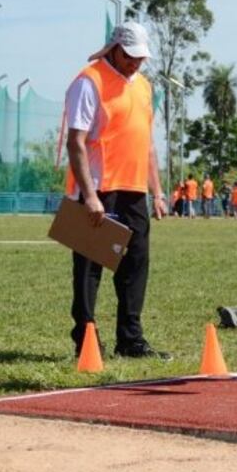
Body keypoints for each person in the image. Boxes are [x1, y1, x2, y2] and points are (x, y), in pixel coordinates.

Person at [65, 21, 170, 359]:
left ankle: (131, 339)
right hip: (99, 188)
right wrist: (91, 196)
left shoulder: (144, 86)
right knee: (90, 266)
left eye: (140, 58)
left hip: (134, 189)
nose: (135, 63)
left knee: (136, 264)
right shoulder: (89, 80)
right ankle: (86, 339)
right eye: (130, 56)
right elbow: (76, 142)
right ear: (114, 48)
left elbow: (148, 143)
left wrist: (158, 192)